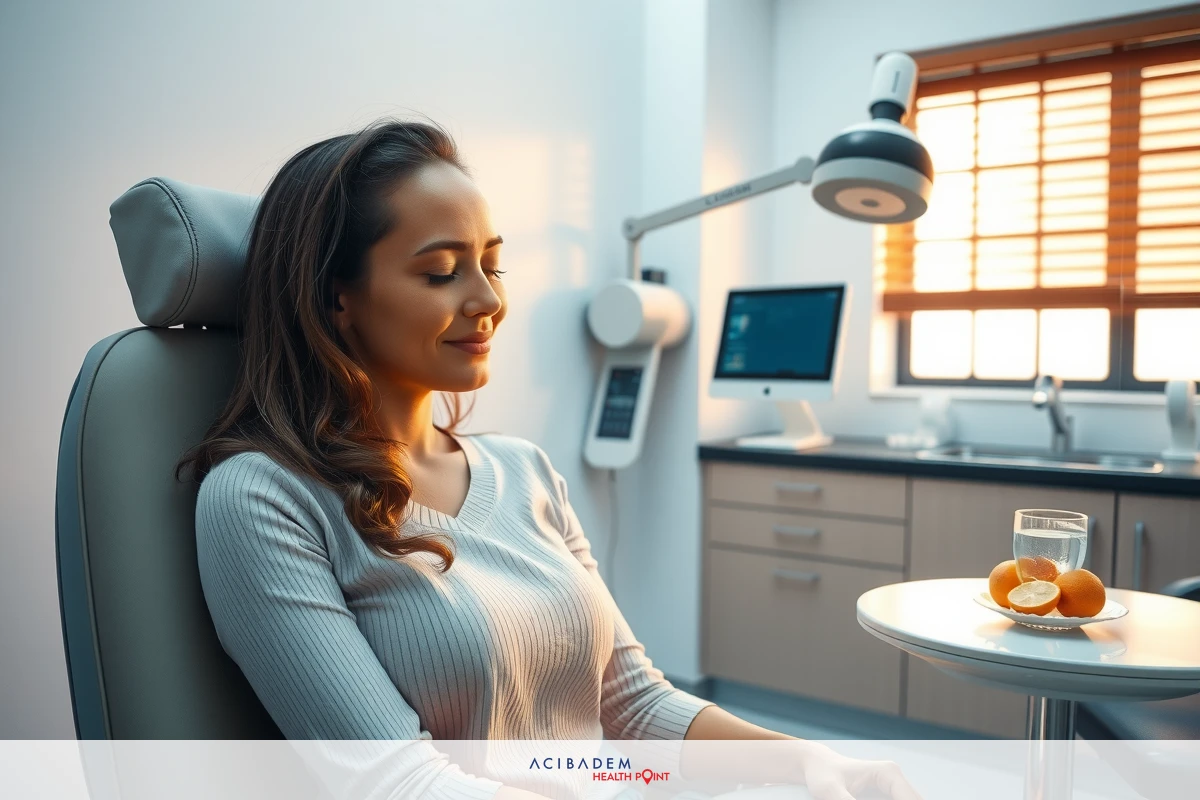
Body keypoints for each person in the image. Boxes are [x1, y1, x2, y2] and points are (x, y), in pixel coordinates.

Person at [177, 117, 921, 800]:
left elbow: (633, 704)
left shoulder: (526, 471)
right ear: (337, 297)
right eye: (441, 272)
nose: (486, 301)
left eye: (491, 266)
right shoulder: (263, 499)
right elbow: (396, 782)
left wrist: (813, 761)